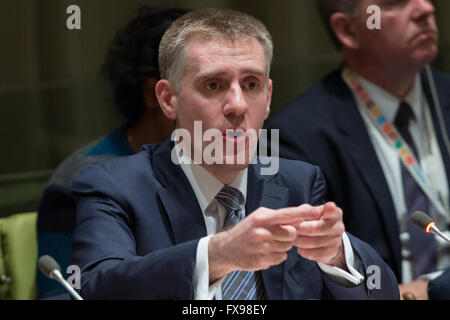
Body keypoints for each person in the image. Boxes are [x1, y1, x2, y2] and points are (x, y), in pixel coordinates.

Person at [69, 8, 399, 300]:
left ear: (268, 97)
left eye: (252, 85)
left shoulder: (297, 181)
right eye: (213, 85)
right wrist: (217, 255)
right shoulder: (114, 186)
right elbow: (95, 288)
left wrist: (338, 255)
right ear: (168, 99)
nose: (238, 105)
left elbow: (384, 293)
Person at [266, 0, 450, 299]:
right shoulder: (297, 137)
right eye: (394, 3)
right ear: (348, 29)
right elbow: (307, 275)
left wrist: (435, 290)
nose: (424, 9)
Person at [36, 7, 188, 298]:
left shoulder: (225, 167)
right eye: (210, 86)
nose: (230, 105)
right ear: (155, 95)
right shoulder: (82, 179)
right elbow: (61, 293)